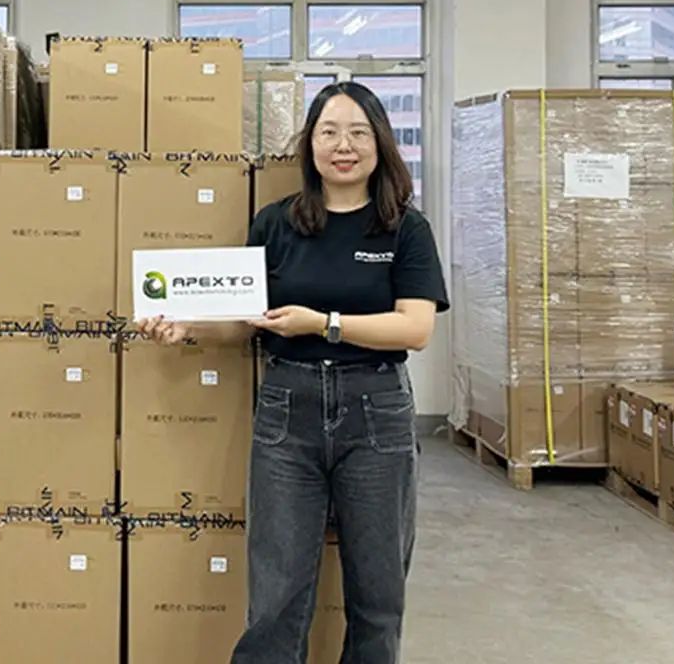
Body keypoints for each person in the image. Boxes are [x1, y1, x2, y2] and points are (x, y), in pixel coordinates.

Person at [137, 80, 447, 664]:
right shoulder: (277, 224)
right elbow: (248, 323)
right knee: (276, 594)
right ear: (310, 146)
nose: (343, 146)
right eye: (329, 132)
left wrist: (324, 324)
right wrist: (188, 328)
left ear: (380, 143)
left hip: (376, 412)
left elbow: (414, 328)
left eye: (357, 132)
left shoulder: (405, 229)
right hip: (288, 412)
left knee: (378, 594)